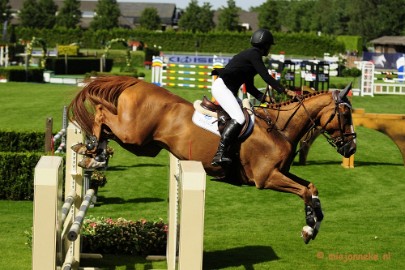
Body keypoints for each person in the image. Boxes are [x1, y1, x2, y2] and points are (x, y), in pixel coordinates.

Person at [211, 28, 296, 167]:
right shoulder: (254, 54)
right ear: (265, 45)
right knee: (239, 118)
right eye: (269, 46)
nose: (269, 49)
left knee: (248, 116)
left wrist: (265, 99)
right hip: (222, 88)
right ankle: (219, 153)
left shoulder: (250, 57)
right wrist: (284, 90)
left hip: (226, 89)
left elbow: (249, 87)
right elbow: (266, 76)